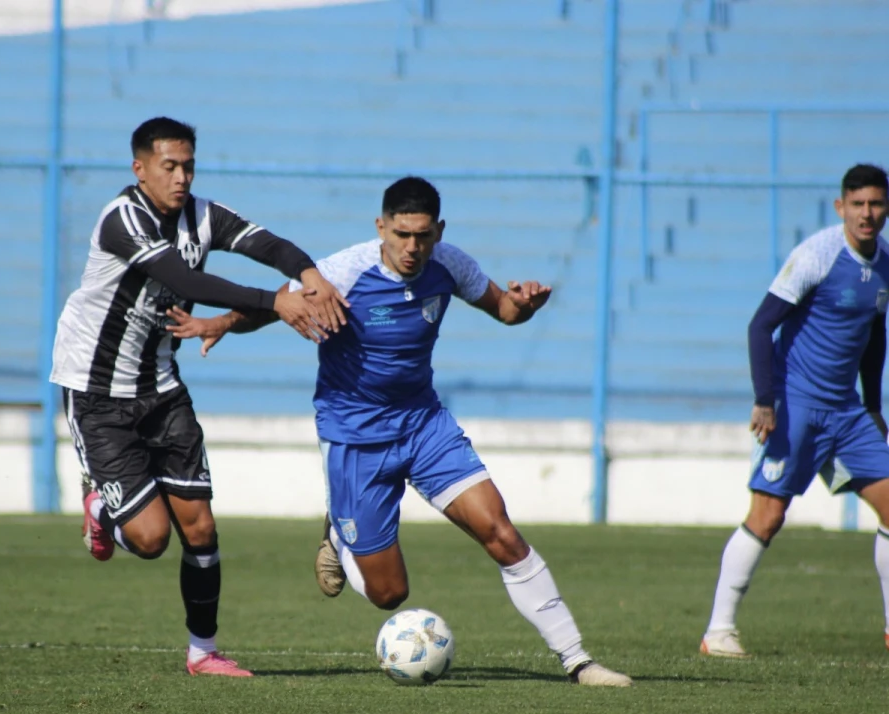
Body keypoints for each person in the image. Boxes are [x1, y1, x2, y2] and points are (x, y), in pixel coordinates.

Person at [167, 176, 632, 686]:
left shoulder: (450, 263)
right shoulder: (344, 271)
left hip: (423, 424)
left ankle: (578, 660)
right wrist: (221, 324)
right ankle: (338, 534)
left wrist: (524, 305)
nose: (413, 247)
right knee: (389, 594)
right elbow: (279, 305)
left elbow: (503, 309)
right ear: (381, 227)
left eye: (424, 236)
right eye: (402, 234)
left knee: (500, 532)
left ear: (439, 231)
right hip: (355, 437)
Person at [50, 117, 346, 678]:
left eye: (188, 165)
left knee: (203, 528)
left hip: (161, 386)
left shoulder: (202, 215)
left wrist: (307, 274)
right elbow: (183, 281)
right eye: (169, 167)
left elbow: (266, 243)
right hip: (96, 392)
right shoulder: (123, 219)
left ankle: (203, 651)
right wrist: (276, 301)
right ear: (140, 169)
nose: (181, 177)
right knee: (150, 538)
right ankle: (102, 510)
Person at [701, 163, 889, 658]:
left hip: (847, 412)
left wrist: (873, 405)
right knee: (768, 515)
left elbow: (874, 338)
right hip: (798, 404)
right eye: (858, 204)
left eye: (876, 204)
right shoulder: (818, 255)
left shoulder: (885, 262)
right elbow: (761, 326)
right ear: (840, 207)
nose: (867, 214)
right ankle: (718, 632)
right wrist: (766, 400)